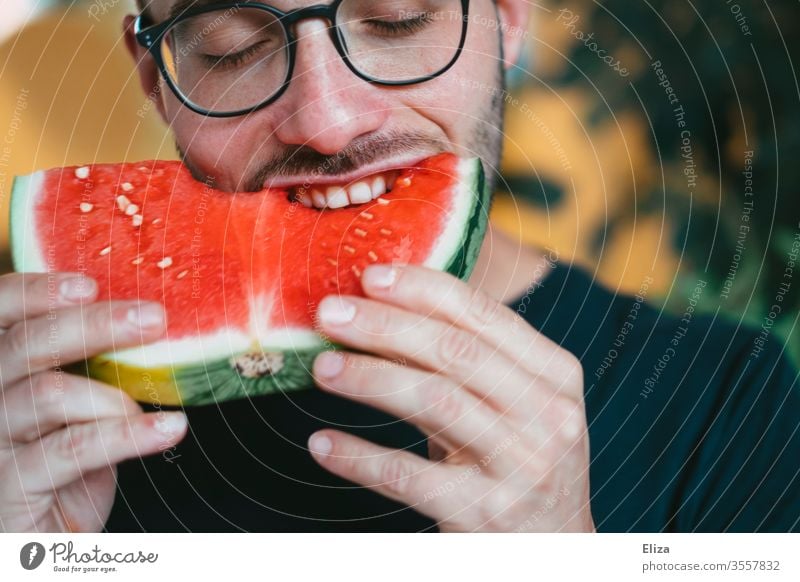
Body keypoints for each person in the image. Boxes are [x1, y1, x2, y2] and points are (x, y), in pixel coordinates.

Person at [0, 0, 797, 533]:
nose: (328, 121)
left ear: (505, 22)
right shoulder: (35, 414)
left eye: (396, 21)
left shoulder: (731, 405)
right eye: (232, 48)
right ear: (157, 80)